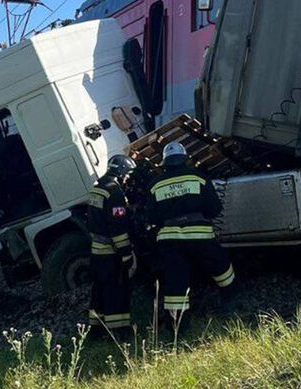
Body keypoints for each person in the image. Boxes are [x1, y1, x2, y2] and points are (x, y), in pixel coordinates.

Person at [144, 141, 234, 331]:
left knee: (176, 281)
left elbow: (151, 217)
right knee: (221, 267)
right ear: (185, 160)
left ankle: (177, 327)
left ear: (165, 163)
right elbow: (215, 209)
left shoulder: (155, 185)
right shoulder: (198, 178)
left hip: (171, 242)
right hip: (200, 238)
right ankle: (230, 303)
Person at [87, 153, 138, 339]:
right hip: (110, 253)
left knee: (99, 291)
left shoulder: (97, 188)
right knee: (116, 290)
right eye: (128, 175)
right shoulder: (114, 192)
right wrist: (126, 254)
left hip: (96, 252)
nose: (128, 179)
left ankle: (96, 329)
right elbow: (117, 229)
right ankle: (120, 331)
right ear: (122, 172)